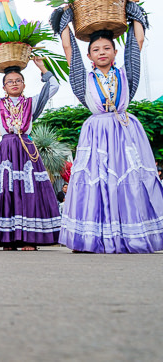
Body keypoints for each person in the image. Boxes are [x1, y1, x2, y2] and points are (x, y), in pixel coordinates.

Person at [57, 20, 163, 253]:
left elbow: (138, 43)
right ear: (89, 55)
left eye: (106, 48)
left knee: (128, 181)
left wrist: (136, 16)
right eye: (96, 49)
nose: (101, 52)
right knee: (94, 181)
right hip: (96, 134)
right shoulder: (81, 79)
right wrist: (64, 21)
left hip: (125, 131)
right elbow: (68, 51)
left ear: (115, 51)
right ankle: (88, 238)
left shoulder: (127, 74)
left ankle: (130, 236)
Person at [0, 58, 61, 251]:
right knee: (7, 190)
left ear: (24, 84)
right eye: (9, 81)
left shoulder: (32, 102)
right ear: (4, 87)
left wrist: (41, 67)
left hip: (26, 147)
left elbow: (54, 85)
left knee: (28, 190)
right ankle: (8, 239)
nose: (14, 83)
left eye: (18, 80)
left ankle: (30, 238)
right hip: (6, 148)